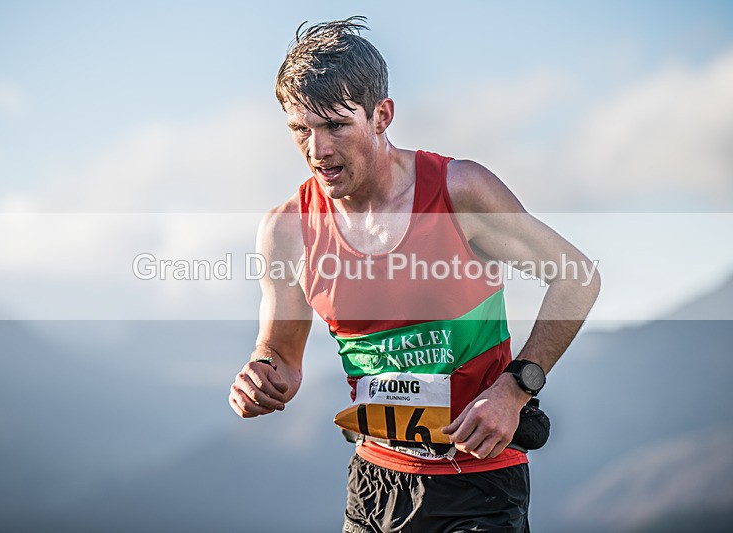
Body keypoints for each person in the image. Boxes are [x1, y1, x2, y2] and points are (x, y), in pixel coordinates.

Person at [229, 16, 600, 533]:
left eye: (336, 125)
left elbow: (577, 277)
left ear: (382, 116)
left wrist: (516, 389)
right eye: (301, 130)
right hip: (375, 481)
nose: (318, 150)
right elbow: (280, 358)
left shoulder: (458, 192)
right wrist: (260, 377)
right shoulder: (287, 230)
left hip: (480, 480)